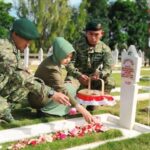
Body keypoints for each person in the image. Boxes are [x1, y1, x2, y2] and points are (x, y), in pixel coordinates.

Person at [0, 18, 69, 122]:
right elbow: (21, 77)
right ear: (15, 34)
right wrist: (51, 93)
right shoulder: (5, 50)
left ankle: (5, 107)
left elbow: (21, 73)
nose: (28, 44)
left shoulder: (13, 48)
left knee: (26, 84)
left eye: (30, 40)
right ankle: (3, 109)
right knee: (26, 81)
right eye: (26, 40)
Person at [28, 37, 97, 123]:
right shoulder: (51, 67)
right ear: (59, 53)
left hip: (43, 94)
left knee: (70, 87)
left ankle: (58, 110)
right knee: (68, 89)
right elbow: (61, 90)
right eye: (66, 57)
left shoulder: (53, 60)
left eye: (70, 57)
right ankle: (46, 111)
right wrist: (84, 111)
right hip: (38, 98)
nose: (68, 60)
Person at [67, 20, 115, 111]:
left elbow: (108, 67)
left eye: (96, 34)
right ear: (86, 33)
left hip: (93, 79)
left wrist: (100, 74)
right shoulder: (76, 45)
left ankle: (97, 100)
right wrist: (79, 75)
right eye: (90, 34)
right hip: (77, 77)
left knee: (110, 81)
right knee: (69, 89)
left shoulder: (105, 49)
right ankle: (73, 103)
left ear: (102, 33)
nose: (93, 38)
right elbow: (69, 63)